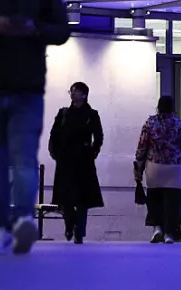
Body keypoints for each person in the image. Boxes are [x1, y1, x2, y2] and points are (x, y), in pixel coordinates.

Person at [0, 0, 71, 255]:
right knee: (9, 161)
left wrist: (34, 29)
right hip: (13, 87)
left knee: (19, 159)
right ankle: (4, 225)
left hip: (27, 90)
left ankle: (21, 220)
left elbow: (63, 30)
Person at [135, 96, 181, 244]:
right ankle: (169, 233)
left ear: (158, 107)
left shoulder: (150, 123)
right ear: (172, 108)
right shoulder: (178, 124)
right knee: (172, 201)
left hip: (154, 166)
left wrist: (139, 165)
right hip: (175, 168)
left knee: (154, 197)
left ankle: (157, 228)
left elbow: (142, 146)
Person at [48, 82, 104, 244]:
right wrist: (55, 152)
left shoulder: (91, 114)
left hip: (84, 160)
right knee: (66, 197)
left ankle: (80, 230)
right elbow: (54, 134)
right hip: (65, 159)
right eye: (71, 91)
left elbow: (98, 136)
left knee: (82, 198)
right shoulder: (63, 113)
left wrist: (93, 152)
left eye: (76, 92)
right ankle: (69, 225)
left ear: (84, 94)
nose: (73, 94)